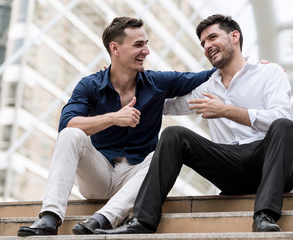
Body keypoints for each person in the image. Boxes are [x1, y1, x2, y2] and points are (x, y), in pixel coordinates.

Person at [94, 14, 293, 235]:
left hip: (270, 162)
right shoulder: (207, 87)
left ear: (234, 36)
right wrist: (120, 80)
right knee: (174, 134)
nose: (207, 46)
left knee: (284, 126)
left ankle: (264, 217)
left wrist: (225, 110)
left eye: (212, 37)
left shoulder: (269, 72)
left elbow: (280, 118)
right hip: (230, 167)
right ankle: (142, 222)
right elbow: (162, 105)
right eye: (203, 43)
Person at [17, 17, 216, 237]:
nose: (147, 51)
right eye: (139, 45)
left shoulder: (157, 83)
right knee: (71, 134)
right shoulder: (90, 85)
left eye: (146, 43)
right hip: (99, 176)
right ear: (115, 48)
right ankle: (49, 218)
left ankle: (102, 219)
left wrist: (251, 66)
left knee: (166, 149)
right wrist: (114, 118)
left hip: (137, 178)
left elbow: (209, 76)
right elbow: (67, 124)